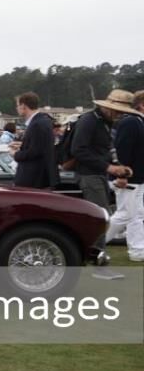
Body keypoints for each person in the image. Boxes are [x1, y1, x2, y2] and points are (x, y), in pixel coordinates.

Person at [71, 89, 136, 254]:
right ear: (108, 108)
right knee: (100, 218)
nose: (120, 115)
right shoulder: (89, 121)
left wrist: (118, 168)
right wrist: (110, 168)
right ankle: (96, 258)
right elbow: (78, 151)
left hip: (97, 175)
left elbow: (106, 150)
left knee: (101, 217)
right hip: (88, 175)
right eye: (118, 112)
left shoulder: (104, 122)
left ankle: (96, 256)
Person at [107, 90, 144, 261]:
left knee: (136, 215)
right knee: (125, 214)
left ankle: (137, 251)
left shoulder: (137, 121)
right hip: (128, 178)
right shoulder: (131, 122)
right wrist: (121, 175)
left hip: (137, 177)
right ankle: (93, 243)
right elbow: (122, 150)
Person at [10, 92, 58, 190]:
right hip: (38, 178)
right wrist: (22, 145)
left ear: (23, 106)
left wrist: (15, 154)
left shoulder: (37, 124)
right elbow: (40, 146)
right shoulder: (42, 121)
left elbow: (35, 152)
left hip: (33, 180)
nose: (17, 108)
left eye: (18, 105)